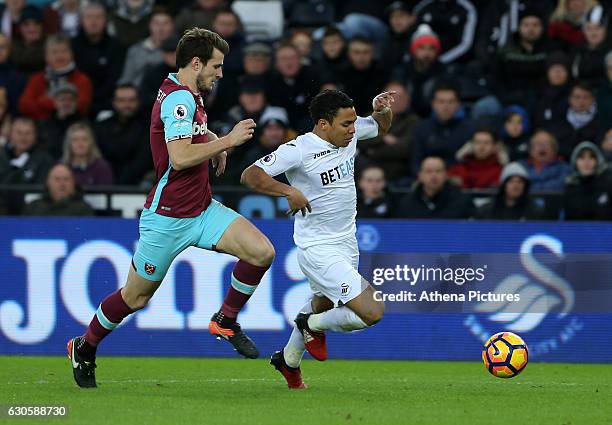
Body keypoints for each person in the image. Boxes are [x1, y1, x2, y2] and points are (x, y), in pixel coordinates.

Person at [67, 28, 275, 388]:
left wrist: (211, 140)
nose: (220, 73)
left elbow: (185, 133)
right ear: (196, 63)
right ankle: (85, 346)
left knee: (262, 253)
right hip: (167, 219)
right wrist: (227, 140)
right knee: (135, 297)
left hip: (203, 210)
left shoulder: (186, 92)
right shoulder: (178, 99)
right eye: (216, 66)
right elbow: (178, 158)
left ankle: (225, 320)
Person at [241, 89, 393, 389]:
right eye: (346, 124)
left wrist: (381, 109)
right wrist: (289, 191)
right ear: (324, 124)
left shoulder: (349, 135)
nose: (354, 129)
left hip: (347, 242)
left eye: (354, 122)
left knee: (322, 302)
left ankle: (288, 361)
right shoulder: (298, 149)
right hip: (318, 249)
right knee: (372, 310)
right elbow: (250, 175)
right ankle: (309, 325)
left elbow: (379, 125)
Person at [397, 156, 474, 219]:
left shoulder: (462, 201)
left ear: (446, 175)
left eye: (438, 171)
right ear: (420, 176)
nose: (434, 176)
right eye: (429, 171)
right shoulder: (407, 204)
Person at [476, 161, 547, 220]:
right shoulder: (487, 210)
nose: (516, 186)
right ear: (503, 185)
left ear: (525, 186)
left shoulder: (535, 211)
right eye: (511, 181)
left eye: (520, 182)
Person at [563, 141, 612, 220]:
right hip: (575, 232)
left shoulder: (608, 185)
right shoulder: (569, 187)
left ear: (598, 161)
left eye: (591, 157)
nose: (586, 162)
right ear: (575, 162)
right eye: (581, 157)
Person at [22, 163, 94, 216]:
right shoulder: (33, 207)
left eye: (66, 179)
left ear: (73, 183)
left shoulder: (83, 209)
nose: (62, 183)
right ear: (48, 182)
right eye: (57, 179)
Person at [61, 121, 113, 186]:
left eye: (84, 139)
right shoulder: (61, 167)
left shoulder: (102, 168)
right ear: (69, 144)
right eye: (75, 139)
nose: (80, 143)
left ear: (91, 143)